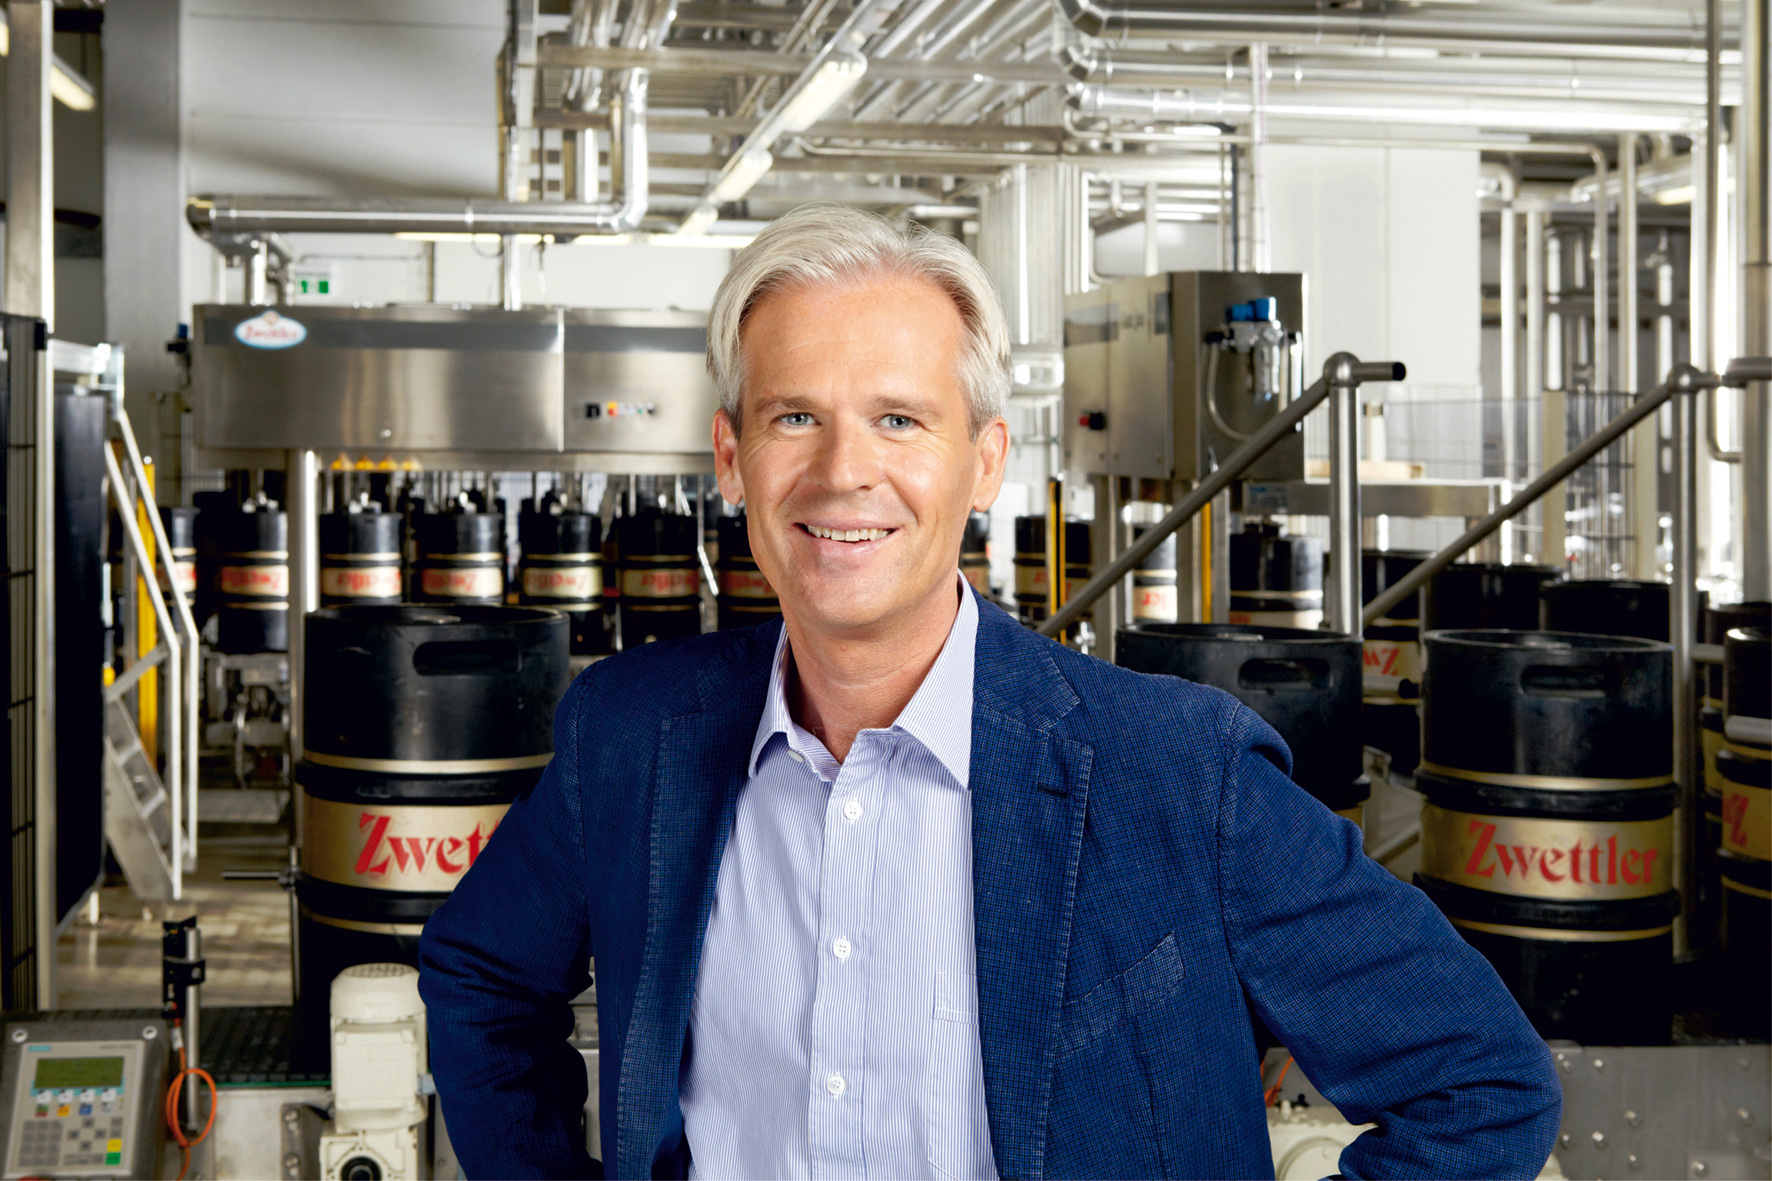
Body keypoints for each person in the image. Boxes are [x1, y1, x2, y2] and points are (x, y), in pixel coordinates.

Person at [419, 203, 1560, 1180]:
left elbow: (1481, 1083)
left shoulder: (1176, 771)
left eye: (899, 420)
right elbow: (480, 976)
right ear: (730, 458)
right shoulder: (632, 735)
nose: (842, 472)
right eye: (794, 417)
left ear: (983, 461)